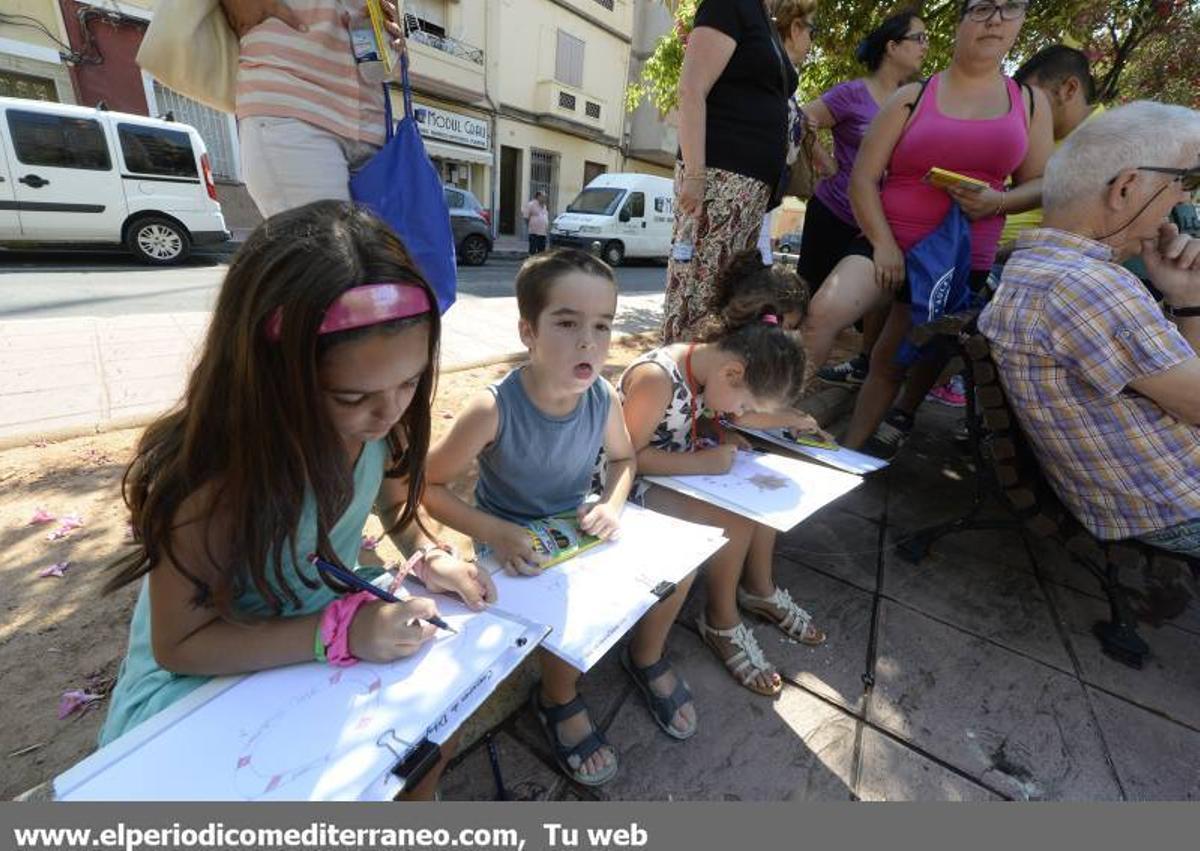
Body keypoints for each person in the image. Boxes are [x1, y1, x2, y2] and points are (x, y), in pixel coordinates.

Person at [97, 202, 494, 801]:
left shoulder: (384, 423)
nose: (388, 413)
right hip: (212, 671)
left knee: (437, 725)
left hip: (323, 627)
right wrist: (336, 634)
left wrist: (428, 557)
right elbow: (180, 644)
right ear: (270, 376)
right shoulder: (213, 479)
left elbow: (396, 509)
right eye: (352, 396)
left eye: (409, 382)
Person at [422, 250, 696, 787]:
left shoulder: (602, 397)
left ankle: (647, 656)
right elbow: (428, 486)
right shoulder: (492, 408)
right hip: (508, 543)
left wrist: (611, 504)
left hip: (578, 529)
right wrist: (495, 532)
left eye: (602, 325)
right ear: (528, 330)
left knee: (678, 568)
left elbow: (624, 459)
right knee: (567, 606)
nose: (589, 342)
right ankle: (556, 697)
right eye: (567, 323)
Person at [801, 0, 1053, 459]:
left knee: (889, 361)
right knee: (822, 312)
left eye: (1009, 8)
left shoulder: (1031, 103)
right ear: (958, 23)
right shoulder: (911, 97)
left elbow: (1039, 184)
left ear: (1021, 21)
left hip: (959, 259)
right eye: (981, 8)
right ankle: (775, 417)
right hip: (889, 242)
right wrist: (883, 245)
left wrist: (998, 201)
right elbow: (862, 180)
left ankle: (845, 459)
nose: (995, 19)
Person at [978, 102, 1200, 556]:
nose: (1185, 201)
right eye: (1184, 181)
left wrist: (1186, 299)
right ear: (1126, 187)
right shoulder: (1089, 286)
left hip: (1141, 499)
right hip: (1175, 508)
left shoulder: (1036, 268)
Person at [621, 254, 825, 699]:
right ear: (734, 373)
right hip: (629, 488)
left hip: (676, 472)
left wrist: (717, 431)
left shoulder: (710, 372)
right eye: (745, 405)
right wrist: (704, 461)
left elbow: (702, 416)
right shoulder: (657, 378)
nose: (741, 414)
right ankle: (721, 619)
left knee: (759, 496)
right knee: (730, 514)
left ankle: (748, 597)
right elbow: (626, 459)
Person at [662, 0, 811, 343]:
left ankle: (706, 372)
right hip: (719, 178)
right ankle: (677, 373)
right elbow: (691, 88)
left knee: (724, 298)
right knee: (698, 295)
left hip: (749, 187)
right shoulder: (730, 5)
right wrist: (695, 176)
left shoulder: (762, 17)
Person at [800, 9, 930, 388]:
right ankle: (789, 385)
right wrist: (825, 161)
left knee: (877, 303)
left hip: (878, 225)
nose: (926, 46)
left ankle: (860, 366)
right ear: (892, 46)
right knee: (808, 306)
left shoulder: (917, 102)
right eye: (919, 38)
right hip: (833, 213)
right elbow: (803, 118)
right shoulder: (852, 93)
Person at [222, 0, 406, 218]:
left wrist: (392, 37)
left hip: (370, 123)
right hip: (293, 99)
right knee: (326, 238)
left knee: (364, 240)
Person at [755, 0, 824, 265]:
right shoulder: (772, 73)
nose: (812, 43)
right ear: (795, 28)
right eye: (812, 32)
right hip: (754, 196)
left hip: (764, 200)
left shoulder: (784, 78)